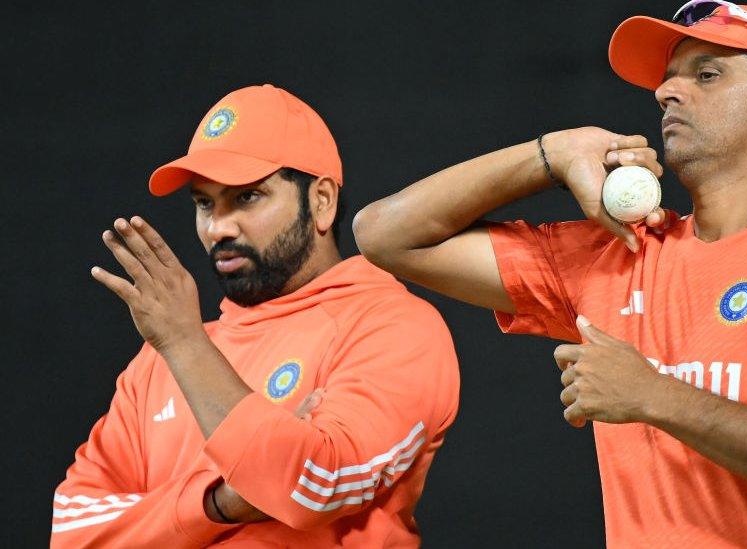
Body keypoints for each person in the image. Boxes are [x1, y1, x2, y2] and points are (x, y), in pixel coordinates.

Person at [353, 3, 747, 547]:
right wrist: (555, 153)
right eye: (667, 80)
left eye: (708, 74)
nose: (667, 92)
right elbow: (385, 234)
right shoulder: (625, 252)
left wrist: (653, 394)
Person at [51, 84, 460, 547]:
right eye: (205, 204)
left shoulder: (394, 327)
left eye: (246, 197)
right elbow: (71, 533)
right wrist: (218, 501)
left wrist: (185, 344)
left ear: (321, 201)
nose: (218, 227)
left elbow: (315, 485)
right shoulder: (159, 360)